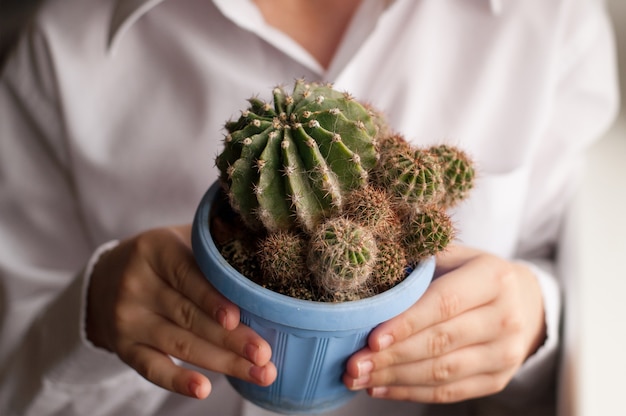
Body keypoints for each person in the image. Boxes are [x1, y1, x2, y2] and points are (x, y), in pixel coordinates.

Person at [0, 0, 619, 415]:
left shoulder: (551, 19)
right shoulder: (65, 46)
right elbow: (13, 374)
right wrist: (91, 314)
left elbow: (581, 265)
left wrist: (536, 316)